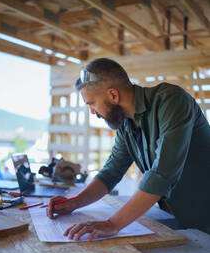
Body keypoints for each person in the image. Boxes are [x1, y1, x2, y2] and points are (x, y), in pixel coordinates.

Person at [47, 58, 210, 240]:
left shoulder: (172, 101)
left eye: (92, 103)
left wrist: (112, 224)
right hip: (177, 215)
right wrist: (74, 203)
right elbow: (111, 173)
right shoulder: (126, 124)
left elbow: (162, 174)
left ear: (113, 95)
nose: (92, 111)